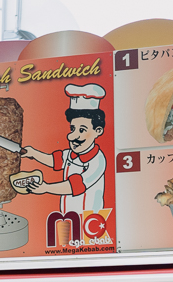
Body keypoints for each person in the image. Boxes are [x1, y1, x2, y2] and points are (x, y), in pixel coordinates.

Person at [17, 83, 108, 214]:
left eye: (82, 130)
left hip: (90, 218)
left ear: (98, 131)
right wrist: (33, 153)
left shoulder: (98, 160)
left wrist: (46, 188)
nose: (72, 136)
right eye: (72, 128)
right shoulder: (70, 154)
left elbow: (76, 185)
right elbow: (54, 161)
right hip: (67, 214)